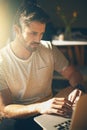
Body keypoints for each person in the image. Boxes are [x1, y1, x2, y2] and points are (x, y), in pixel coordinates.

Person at [0, 2, 86, 130]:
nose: (38, 40)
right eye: (33, 33)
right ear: (16, 30)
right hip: (18, 118)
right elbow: (5, 109)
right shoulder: (2, 61)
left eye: (41, 34)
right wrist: (40, 106)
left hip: (49, 112)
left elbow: (73, 73)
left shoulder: (48, 49)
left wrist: (78, 87)